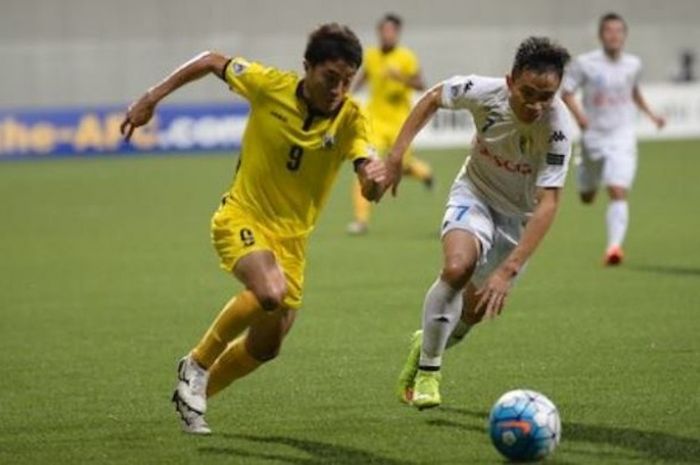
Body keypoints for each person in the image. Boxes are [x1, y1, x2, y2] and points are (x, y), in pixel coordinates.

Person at [120, 23, 387, 434]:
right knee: (269, 292)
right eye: (330, 77)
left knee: (267, 346)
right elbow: (210, 60)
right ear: (307, 67)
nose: (337, 88)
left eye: (346, 81)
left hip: (293, 241)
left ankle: (195, 398)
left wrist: (372, 179)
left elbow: (365, 163)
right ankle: (196, 362)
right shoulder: (268, 85)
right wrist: (152, 97)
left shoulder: (351, 118)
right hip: (241, 217)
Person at [388, 37, 572, 409]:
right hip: (474, 195)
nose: (536, 104)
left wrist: (510, 268)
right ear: (509, 81)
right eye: (528, 92)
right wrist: (396, 154)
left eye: (546, 95)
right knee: (457, 267)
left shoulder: (558, 129)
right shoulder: (483, 92)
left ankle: (424, 343)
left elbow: (548, 203)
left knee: (471, 313)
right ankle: (429, 370)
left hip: (517, 221)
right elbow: (433, 97)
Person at [561, 12, 666, 265]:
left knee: (617, 190)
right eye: (609, 31)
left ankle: (614, 248)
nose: (614, 35)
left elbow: (634, 92)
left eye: (619, 31)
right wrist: (581, 118)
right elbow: (567, 92)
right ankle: (586, 175)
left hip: (622, 136)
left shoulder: (633, 64)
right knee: (587, 197)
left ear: (625, 36)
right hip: (593, 137)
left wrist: (652, 115)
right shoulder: (586, 63)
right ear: (600, 35)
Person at [347, 13, 433, 235]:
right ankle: (361, 220)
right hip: (374, 122)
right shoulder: (372, 55)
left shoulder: (406, 58)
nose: (387, 35)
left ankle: (422, 171)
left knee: (398, 167)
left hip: (400, 123)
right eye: (384, 31)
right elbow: (364, 76)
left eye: (391, 31)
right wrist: (347, 96)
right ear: (379, 33)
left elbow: (421, 84)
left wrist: (401, 78)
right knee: (365, 167)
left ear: (397, 33)